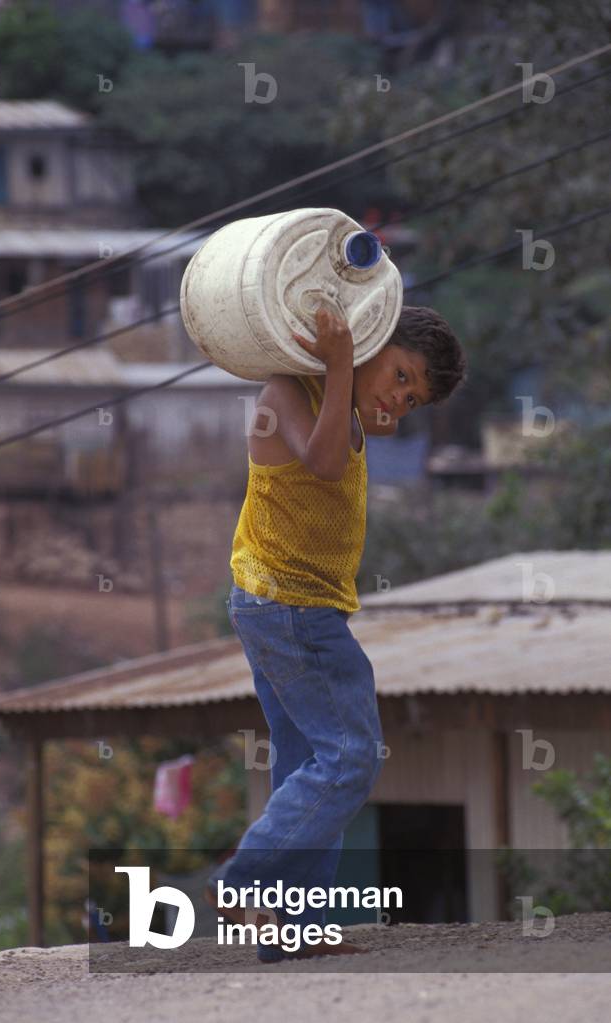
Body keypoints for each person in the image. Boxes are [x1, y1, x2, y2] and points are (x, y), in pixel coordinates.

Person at [205, 304, 466, 962]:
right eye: (402, 375)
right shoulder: (291, 391)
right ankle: (243, 879)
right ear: (375, 342)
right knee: (350, 754)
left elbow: (345, 441)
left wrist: (356, 376)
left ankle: (292, 928)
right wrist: (344, 359)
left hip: (284, 605)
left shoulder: (343, 404)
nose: (400, 400)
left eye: (413, 399)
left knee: (304, 761)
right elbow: (322, 463)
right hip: (292, 610)